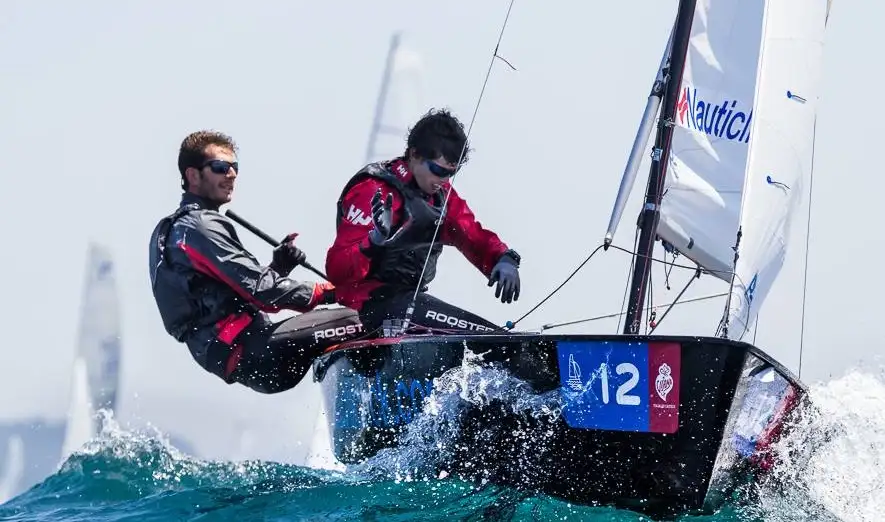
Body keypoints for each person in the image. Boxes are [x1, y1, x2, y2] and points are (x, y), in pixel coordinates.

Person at [149, 130, 362, 394]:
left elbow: (234, 295)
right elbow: (263, 291)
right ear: (193, 175)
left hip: (240, 355)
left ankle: (363, 389)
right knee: (364, 318)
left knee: (350, 328)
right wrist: (330, 292)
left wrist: (279, 268)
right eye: (220, 167)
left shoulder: (177, 228)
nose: (231, 174)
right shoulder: (198, 227)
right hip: (251, 350)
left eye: (234, 168)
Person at [325, 108, 522, 335]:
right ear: (414, 155)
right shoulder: (373, 191)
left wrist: (503, 258)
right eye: (438, 170)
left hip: (408, 304)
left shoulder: (441, 197)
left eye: (451, 173)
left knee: (490, 335)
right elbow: (336, 270)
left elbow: (471, 234)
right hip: (369, 307)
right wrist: (373, 242)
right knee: (488, 337)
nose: (443, 180)